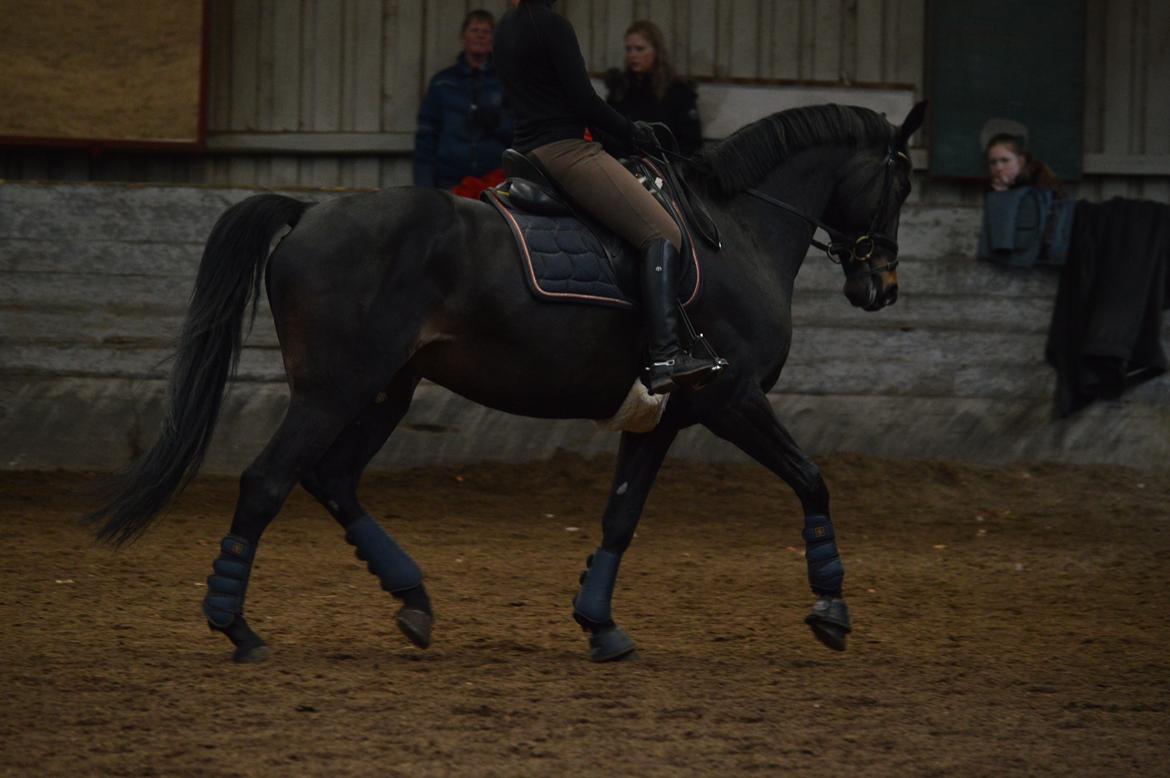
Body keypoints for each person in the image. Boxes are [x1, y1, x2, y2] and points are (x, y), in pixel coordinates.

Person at [493, 0, 720, 394]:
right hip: (565, 151)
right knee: (663, 233)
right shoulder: (552, 25)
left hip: (526, 152)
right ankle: (666, 353)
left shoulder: (506, 28)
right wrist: (633, 131)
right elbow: (583, 101)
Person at [413, 10, 513, 190]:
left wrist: (497, 124)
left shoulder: (504, 81)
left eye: (486, 32)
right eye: (475, 30)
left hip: (493, 182)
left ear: (494, 40)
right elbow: (427, 135)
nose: (480, 36)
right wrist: (424, 188)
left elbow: (521, 131)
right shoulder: (443, 82)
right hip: (450, 181)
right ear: (463, 37)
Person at [603, 20, 702, 155]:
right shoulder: (620, 90)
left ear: (656, 51)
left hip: (664, 168)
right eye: (628, 49)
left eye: (639, 49)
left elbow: (690, 142)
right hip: (623, 166)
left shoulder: (678, 91)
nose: (632, 55)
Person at [985, 133, 1063, 196]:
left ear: (1021, 161)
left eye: (1005, 160)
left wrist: (1004, 196)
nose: (999, 168)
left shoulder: (1040, 184)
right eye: (993, 162)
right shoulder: (993, 187)